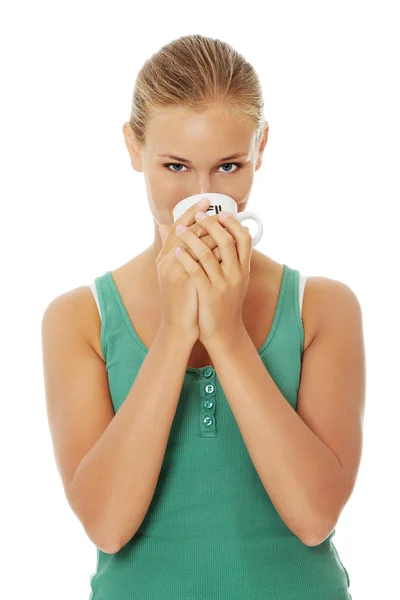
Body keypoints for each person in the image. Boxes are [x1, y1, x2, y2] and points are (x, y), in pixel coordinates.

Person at [41, 34, 364, 599]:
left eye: (228, 166)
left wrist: (227, 335)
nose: (202, 195)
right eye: (175, 166)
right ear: (133, 148)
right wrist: (174, 335)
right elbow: (108, 526)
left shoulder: (324, 307)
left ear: (260, 149)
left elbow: (316, 517)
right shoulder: (78, 319)